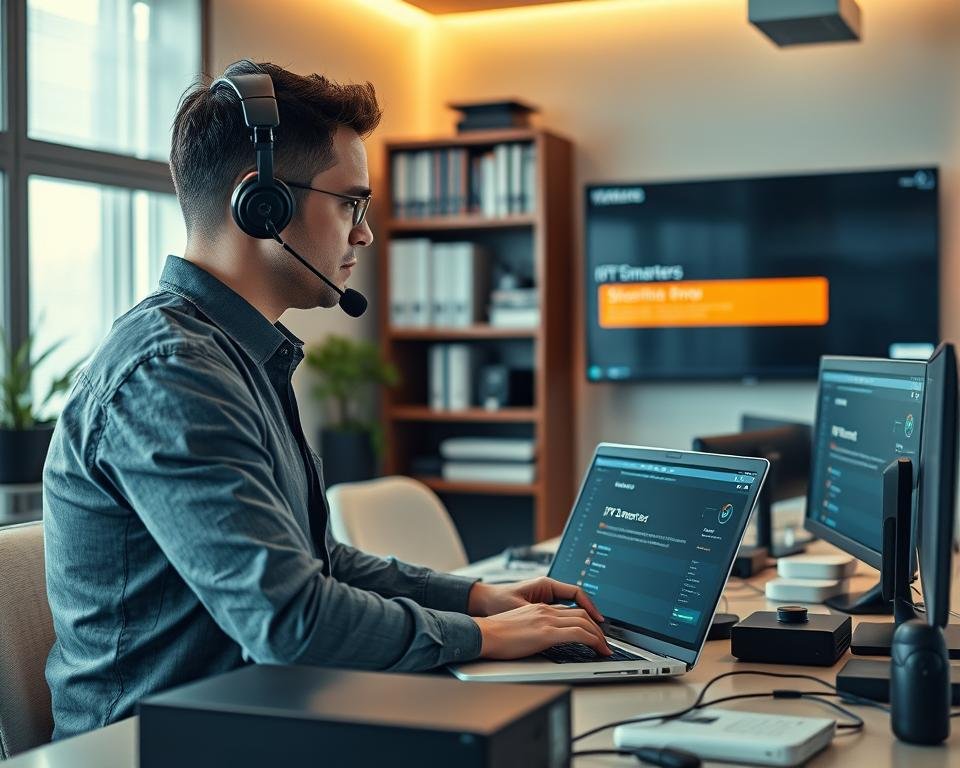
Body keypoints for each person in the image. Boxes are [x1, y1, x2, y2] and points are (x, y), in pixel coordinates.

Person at [42, 59, 609, 740]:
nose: (365, 233)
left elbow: (317, 561)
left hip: (258, 713)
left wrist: (479, 597)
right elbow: (293, 621)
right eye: (351, 204)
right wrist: (485, 635)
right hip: (147, 745)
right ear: (263, 206)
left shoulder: (239, 353)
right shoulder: (173, 372)